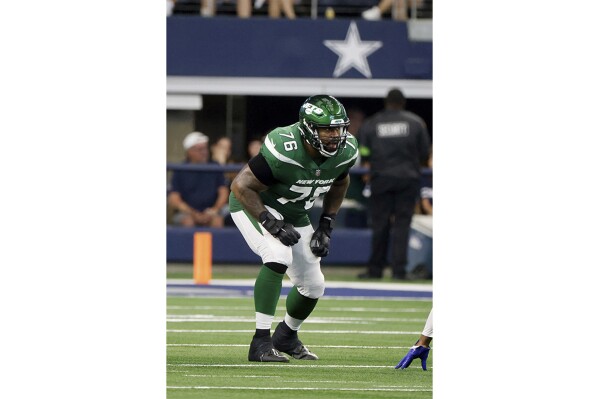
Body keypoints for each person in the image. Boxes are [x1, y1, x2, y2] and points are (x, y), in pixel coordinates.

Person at [229, 95, 358, 362]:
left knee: (313, 285)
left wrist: (326, 224)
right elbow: (241, 186)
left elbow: (340, 181)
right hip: (255, 205)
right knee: (278, 255)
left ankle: (286, 335)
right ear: (308, 129)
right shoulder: (284, 146)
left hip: (294, 211)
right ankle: (260, 341)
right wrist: (269, 221)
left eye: (339, 128)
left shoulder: (347, 151)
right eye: (327, 129)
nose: (336, 135)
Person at [357, 88, 431, 279]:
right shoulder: (416, 123)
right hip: (407, 178)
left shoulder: (372, 123)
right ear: (403, 102)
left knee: (380, 224)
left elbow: (363, 149)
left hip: (381, 178)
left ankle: (375, 270)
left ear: (386, 102)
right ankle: (399, 271)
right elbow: (424, 152)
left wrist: (367, 161)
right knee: (402, 225)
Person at [167, 131, 229, 227]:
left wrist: (214, 210)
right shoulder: (180, 169)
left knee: (217, 221)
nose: (204, 152)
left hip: (212, 212)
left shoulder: (215, 166)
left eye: (205, 148)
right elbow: (174, 198)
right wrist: (192, 213)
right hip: (187, 213)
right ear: (189, 151)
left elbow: (223, 192)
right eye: (200, 149)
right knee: (188, 222)